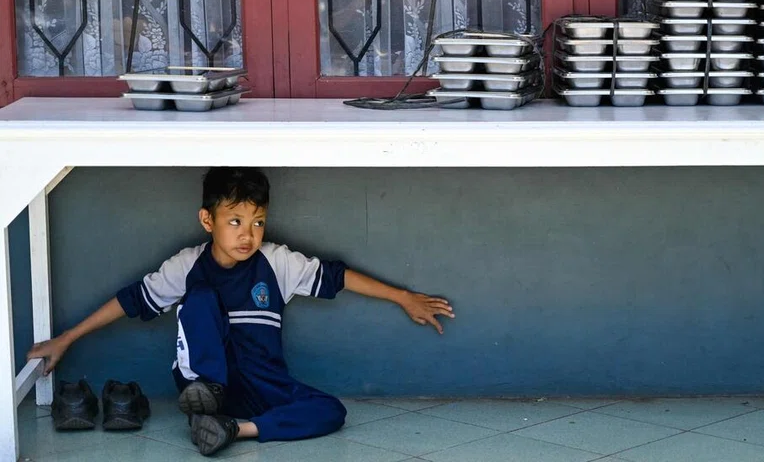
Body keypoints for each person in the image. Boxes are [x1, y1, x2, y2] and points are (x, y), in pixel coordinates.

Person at [27, 167, 455, 456]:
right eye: (235, 221)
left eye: (257, 222)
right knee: (199, 297)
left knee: (331, 411)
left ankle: (231, 429)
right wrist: (66, 339)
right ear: (207, 220)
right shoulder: (188, 265)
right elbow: (132, 300)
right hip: (203, 383)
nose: (248, 234)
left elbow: (336, 277)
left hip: (264, 386)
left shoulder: (276, 263)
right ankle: (208, 397)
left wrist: (403, 297)